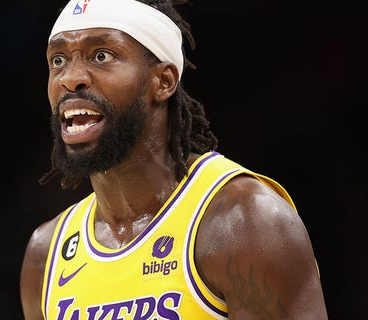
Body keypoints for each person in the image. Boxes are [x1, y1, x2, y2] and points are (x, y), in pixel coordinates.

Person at [20, 0, 328, 319]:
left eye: (101, 56)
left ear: (164, 81)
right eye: (58, 60)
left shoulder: (244, 223)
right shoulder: (46, 256)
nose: (70, 79)